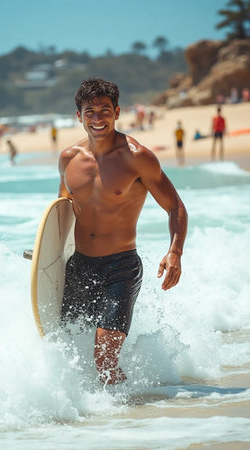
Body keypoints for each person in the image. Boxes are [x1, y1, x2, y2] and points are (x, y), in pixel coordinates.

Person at [58, 78, 188, 385]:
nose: (98, 118)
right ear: (79, 116)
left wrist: (175, 252)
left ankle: (128, 422)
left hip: (121, 268)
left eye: (105, 110)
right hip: (78, 267)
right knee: (65, 349)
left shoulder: (137, 157)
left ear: (117, 112)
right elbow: (62, 211)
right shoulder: (68, 159)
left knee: (104, 357)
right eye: (90, 111)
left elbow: (176, 207)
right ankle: (99, 421)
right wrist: (48, 256)